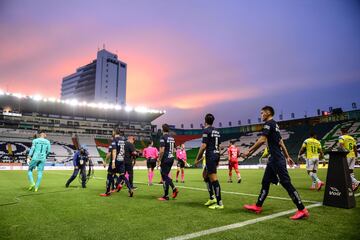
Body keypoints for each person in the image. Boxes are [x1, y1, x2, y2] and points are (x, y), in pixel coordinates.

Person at [243, 106, 309, 220]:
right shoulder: (275, 125)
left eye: (262, 113)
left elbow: (262, 140)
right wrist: (288, 156)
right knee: (265, 181)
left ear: (268, 113)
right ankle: (258, 206)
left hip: (277, 159)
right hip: (273, 159)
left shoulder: (269, 124)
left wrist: (249, 151)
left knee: (286, 183)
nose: (261, 115)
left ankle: (302, 209)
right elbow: (281, 142)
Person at [194, 113, 223, 210]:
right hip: (216, 154)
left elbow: (203, 146)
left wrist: (197, 158)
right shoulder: (217, 131)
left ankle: (219, 203)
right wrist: (218, 158)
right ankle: (212, 197)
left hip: (210, 155)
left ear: (205, 121)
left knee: (214, 179)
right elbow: (218, 146)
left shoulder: (206, 130)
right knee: (205, 175)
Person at [99, 128, 133, 197]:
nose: (112, 133)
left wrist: (108, 161)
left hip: (115, 161)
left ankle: (107, 192)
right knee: (123, 176)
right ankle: (130, 189)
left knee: (109, 175)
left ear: (114, 132)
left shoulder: (114, 140)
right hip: (122, 161)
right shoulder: (123, 140)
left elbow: (112, 151)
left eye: (112, 132)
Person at [157, 124, 179, 201]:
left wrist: (159, 159)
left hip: (165, 159)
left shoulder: (163, 137)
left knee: (164, 176)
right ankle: (169, 192)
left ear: (162, 130)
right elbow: (175, 149)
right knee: (165, 176)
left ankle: (169, 193)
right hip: (171, 158)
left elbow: (162, 150)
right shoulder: (172, 138)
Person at [338, 127, 359, 191]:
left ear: (342, 132)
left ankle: (355, 182)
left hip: (347, 156)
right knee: (351, 171)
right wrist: (357, 158)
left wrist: (344, 151)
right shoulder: (352, 138)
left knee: (344, 171)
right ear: (347, 132)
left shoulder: (341, 137)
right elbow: (355, 148)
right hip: (353, 156)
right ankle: (353, 184)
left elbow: (341, 145)